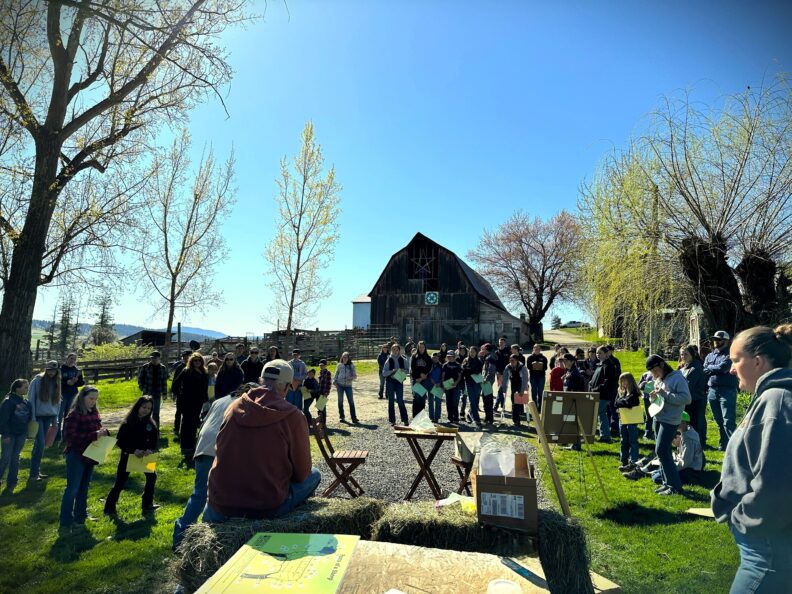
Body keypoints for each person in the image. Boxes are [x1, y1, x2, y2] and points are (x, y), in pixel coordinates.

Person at [711, 325, 792, 594]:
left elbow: (777, 485)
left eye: (736, 360)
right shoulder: (772, 398)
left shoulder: (776, 401)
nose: (731, 368)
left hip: (766, 550)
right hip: (767, 543)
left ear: (758, 361)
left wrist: (741, 520)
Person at [203, 360, 321, 522]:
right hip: (266, 506)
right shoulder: (293, 416)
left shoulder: (233, 406)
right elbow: (302, 473)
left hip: (220, 504)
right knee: (315, 474)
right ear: (287, 387)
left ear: (260, 381)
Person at [172, 383, 252, 549]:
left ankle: (180, 536)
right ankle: (209, 535)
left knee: (200, 493)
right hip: (219, 448)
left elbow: (205, 424)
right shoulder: (243, 404)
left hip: (202, 447)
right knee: (219, 493)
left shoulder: (220, 400)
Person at [60, 385, 108, 529]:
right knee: (73, 488)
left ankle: (81, 515)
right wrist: (94, 435)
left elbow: (96, 429)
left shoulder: (94, 412)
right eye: (91, 398)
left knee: (84, 487)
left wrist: (103, 432)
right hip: (76, 455)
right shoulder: (74, 414)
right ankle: (66, 520)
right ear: (82, 397)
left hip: (91, 454)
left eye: (95, 399)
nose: (93, 401)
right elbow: (70, 437)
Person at [103, 396, 159, 516]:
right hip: (128, 455)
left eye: (149, 408)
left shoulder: (151, 424)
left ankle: (147, 503)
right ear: (138, 406)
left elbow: (154, 441)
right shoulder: (127, 422)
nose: (146, 410)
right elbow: (120, 441)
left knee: (152, 477)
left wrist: (150, 450)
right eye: (144, 407)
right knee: (121, 482)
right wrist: (133, 450)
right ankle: (109, 508)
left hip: (145, 456)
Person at [645, 354, 691, 495]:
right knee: (662, 452)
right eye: (652, 372)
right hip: (658, 417)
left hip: (670, 420)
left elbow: (686, 399)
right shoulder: (660, 378)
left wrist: (665, 394)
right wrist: (654, 397)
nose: (654, 374)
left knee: (662, 450)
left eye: (655, 371)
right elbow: (660, 398)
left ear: (662, 365)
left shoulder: (677, 378)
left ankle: (675, 487)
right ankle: (667, 483)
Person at [704, 330, 740, 451]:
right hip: (712, 391)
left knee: (728, 421)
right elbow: (705, 369)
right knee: (719, 420)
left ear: (725, 341)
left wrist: (711, 368)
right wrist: (715, 369)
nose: (716, 342)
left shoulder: (730, 354)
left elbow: (724, 368)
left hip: (727, 391)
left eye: (718, 340)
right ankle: (724, 444)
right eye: (714, 339)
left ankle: (735, 447)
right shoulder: (710, 355)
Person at [171, 353, 209, 461]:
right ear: (191, 362)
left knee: (194, 423)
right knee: (186, 424)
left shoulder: (204, 372)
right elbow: (175, 384)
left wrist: (206, 398)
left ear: (201, 361)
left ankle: (192, 446)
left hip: (198, 402)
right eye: (195, 360)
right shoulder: (186, 371)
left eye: (199, 360)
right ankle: (185, 447)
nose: (197, 362)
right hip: (187, 401)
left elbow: (205, 386)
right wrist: (179, 395)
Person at [28, 361, 61, 483]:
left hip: (49, 416)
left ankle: (35, 472)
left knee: (40, 445)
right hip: (37, 417)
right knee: (40, 443)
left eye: (53, 370)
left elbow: (57, 402)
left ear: (57, 371)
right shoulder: (37, 380)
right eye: (49, 370)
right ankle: (33, 474)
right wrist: (32, 417)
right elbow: (31, 399)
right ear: (46, 370)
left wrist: (55, 420)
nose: (51, 373)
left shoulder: (57, 382)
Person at [0, 379, 31, 493]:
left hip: (21, 434)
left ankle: (12, 482)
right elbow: (3, 420)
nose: (27, 389)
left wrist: (27, 432)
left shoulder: (26, 402)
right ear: (17, 388)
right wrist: (6, 434)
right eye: (25, 387)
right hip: (9, 435)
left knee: (15, 457)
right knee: (6, 458)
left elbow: (28, 418)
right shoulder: (8, 401)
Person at [679, 345, 708, 447]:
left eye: (686, 354)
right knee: (691, 422)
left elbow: (688, 386)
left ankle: (700, 444)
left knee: (697, 422)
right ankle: (693, 442)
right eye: (682, 354)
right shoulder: (685, 367)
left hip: (696, 399)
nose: (683, 356)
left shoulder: (695, 367)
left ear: (692, 355)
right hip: (690, 399)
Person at [589, 346, 618, 443]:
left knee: (596, 413)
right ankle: (605, 436)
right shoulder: (600, 364)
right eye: (597, 353)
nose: (598, 354)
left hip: (604, 394)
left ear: (606, 354)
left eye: (600, 353)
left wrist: (595, 389)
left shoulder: (608, 365)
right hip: (599, 394)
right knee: (601, 414)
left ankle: (593, 434)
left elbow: (607, 382)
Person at [614, 373, 642, 471]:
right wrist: (622, 401)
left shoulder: (634, 392)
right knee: (623, 441)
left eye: (625, 380)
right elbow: (615, 403)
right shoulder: (621, 391)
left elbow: (629, 403)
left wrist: (622, 401)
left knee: (633, 441)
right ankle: (624, 460)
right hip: (623, 419)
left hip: (632, 420)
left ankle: (634, 461)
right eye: (621, 381)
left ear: (630, 381)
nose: (623, 383)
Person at [57, 353, 84, 443]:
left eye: (74, 359)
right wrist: (66, 382)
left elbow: (81, 382)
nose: (72, 361)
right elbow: (57, 381)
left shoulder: (77, 370)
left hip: (72, 394)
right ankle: (57, 436)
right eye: (71, 358)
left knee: (68, 416)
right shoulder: (61, 369)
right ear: (67, 358)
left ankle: (66, 436)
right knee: (59, 415)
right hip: (62, 394)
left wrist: (76, 382)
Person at [137, 351, 168, 427]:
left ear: (159, 358)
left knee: (156, 413)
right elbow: (140, 379)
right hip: (147, 393)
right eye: (152, 358)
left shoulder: (163, 368)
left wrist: (164, 393)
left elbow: (164, 382)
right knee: (144, 412)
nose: (154, 359)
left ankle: (155, 430)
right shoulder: (145, 367)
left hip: (157, 393)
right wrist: (142, 388)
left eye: (155, 358)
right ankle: (143, 428)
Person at [383, 345, 408, 425]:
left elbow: (408, 371)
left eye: (396, 349)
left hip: (399, 382)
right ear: (391, 350)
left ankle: (405, 420)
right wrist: (392, 371)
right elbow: (384, 373)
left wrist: (402, 371)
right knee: (391, 401)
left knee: (400, 400)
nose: (395, 351)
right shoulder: (388, 360)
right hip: (390, 382)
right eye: (393, 349)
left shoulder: (403, 359)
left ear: (399, 350)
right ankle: (392, 420)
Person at [461, 345, 483, 428]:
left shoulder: (479, 361)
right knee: (472, 401)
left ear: (476, 352)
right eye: (470, 351)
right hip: (469, 383)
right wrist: (470, 370)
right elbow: (463, 371)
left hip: (477, 383)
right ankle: (477, 419)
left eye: (473, 352)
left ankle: (470, 414)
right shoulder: (466, 360)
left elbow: (478, 371)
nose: (472, 353)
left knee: (476, 400)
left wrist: (469, 370)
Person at [333, 352, 358, 424]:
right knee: (340, 401)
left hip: (348, 386)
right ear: (341, 357)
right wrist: (334, 382)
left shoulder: (351, 365)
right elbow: (336, 374)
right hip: (340, 385)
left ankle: (354, 418)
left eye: (346, 357)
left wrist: (351, 378)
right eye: (343, 357)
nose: (344, 358)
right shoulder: (339, 365)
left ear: (348, 358)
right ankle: (342, 417)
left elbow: (355, 376)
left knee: (351, 402)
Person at [171, 350, 191, 439]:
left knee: (188, 412)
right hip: (180, 393)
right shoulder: (180, 367)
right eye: (185, 356)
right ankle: (176, 429)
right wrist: (174, 392)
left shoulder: (194, 366)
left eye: (188, 356)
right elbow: (175, 381)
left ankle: (185, 429)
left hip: (190, 394)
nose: (187, 358)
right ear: (183, 358)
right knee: (179, 411)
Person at [410, 341, 433, 418]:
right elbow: (413, 369)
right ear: (418, 347)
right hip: (416, 380)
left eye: (423, 347)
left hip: (424, 380)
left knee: (422, 398)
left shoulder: (428, 357)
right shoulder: (414, 356)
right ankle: (415, 417)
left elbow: (429, 368)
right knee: (416, 397)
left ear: (425, 347)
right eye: (420, 347)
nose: (421, 348)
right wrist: (419, 376)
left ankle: (421, 417)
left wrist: (424, 376)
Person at [506, 354, 529, 427]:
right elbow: (505, 377)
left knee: (517, 403)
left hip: (521, 385)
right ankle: (515, 420)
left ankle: (516, 420)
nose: (511, 362)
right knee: (514, 402)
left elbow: (525, 380)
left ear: (516, 361)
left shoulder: (522, 367)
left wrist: (522, 390)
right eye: (510, 360)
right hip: (513, 386)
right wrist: (504, 386)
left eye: (512, 360)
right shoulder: (508, 367)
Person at [441, 350, 462, 423]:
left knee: (455, 402)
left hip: (455, 386)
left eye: (451, 356)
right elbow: (443, 376)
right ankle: (450, 418)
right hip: (447, 386)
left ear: (454, 357)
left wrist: (456, 382)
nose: (450, 358)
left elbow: (460, 376)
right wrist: (444, 384)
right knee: (448, 402)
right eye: (448, 356)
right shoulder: (445, 365)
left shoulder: (458, 365)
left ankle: (456, 418)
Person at [526, 344, 548, 412]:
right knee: (534, 391)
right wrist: (534, 365)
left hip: (541, 376)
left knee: (540, 391)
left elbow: (546, 367)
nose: (537, 350)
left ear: (540, 349)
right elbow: (528, 367)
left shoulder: (544, 358)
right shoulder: (530, 358)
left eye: (538, 349)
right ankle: (535, 406)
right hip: (533, 376)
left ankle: (540, 407)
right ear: (533, 349)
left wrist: (540, 366)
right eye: (535, 349)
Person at [481, 343, 498, 424]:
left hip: (487, 382)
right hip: (487, 382)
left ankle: (489, 418)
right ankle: (488, 417)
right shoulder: (488, 356)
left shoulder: (490, 357)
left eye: (483, 348)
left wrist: (486, 379)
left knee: (487, 400)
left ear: (486, 349)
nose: (482, 350)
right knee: (486, 399)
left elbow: (491, 370)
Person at [638, 370, 656, 440]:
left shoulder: (661, 373)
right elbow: (639, 386)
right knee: (648, 416)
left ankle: (656, 433)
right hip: (647, 398)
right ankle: (647, 433)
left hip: (657, 398)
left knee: (657, 417)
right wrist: (643, 384)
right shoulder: (646, 374)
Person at [494, 337, 510, 413]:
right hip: (498, 373)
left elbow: (510, 363)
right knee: (500, 389)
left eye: (502, 342)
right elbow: (495, 363)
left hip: (506, 374)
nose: (501, 343)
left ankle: (496, 406)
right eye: (500, 342)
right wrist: (496, 371)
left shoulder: (508, 352)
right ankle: (502, 405)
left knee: (501, 389)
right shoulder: (496, 352)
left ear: (505, 343)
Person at [428, 353, 444, 423]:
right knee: (430, 401)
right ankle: (431, 417)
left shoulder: (441, 366)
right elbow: (427, 374)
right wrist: (430, 379)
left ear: (438, 358)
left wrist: (440, 382)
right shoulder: (429, 365)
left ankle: (437, 417)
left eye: (436, 358)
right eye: (433, 357)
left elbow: (443, 375)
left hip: (438, 385)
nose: (435, 359)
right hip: (430, 385)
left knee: (438, 401)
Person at [318, 359, 332, 424]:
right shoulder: (320, 372)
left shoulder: (328, 372)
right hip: (319, 392)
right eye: (320, 365)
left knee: (322, 408)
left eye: (322, 365)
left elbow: (329, 383)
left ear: (325, 365)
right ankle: (321, 421)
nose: (321, 366)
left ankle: (323, 423)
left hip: (324, 392)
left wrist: (326, 393)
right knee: (319, 407)